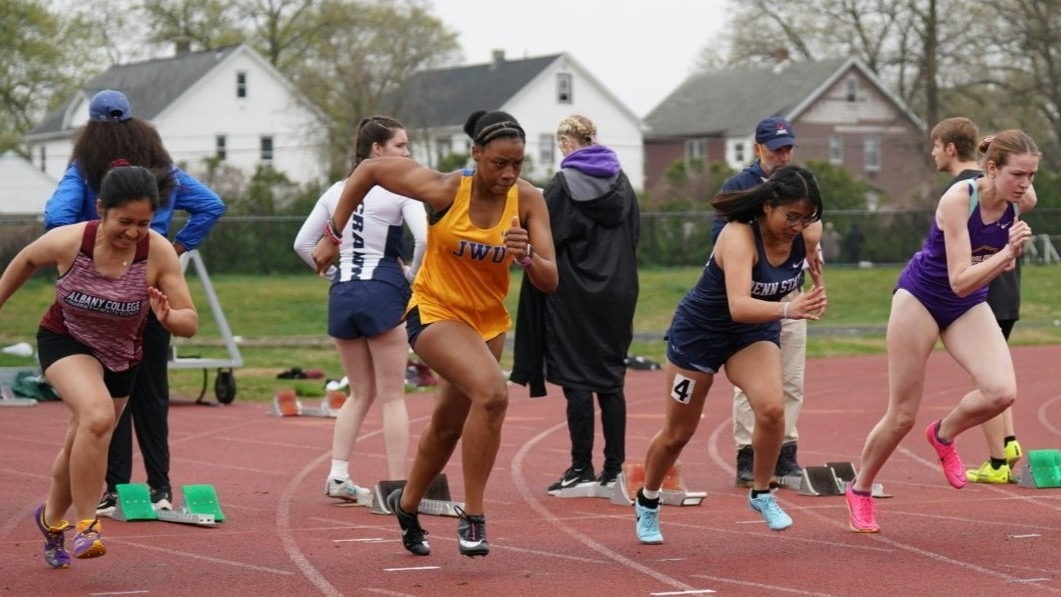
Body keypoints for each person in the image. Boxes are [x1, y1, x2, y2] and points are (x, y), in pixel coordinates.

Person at [311, 110, 558, 557]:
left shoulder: (528, 201)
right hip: (434, 311)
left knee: (446, 426)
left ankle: (407, 505)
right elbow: (368, 170)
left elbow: (551, 279)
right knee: (493, 394)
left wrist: (527, 259)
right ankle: (475, 517)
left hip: (487, 323)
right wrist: (333, 233)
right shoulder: (445, 189)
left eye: (517, 164)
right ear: (476, 155)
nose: (508, 174)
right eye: (498, 163)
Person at [0, 164, 198, 566]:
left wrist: (168, 317)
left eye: (143, 223)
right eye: (124, 222)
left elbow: (189, 321)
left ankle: (52, 521)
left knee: (82, 439)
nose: (133, 233)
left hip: (122, 355)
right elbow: (24, 260)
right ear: (102, 208)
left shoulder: (157, 252)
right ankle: (86, 524)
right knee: (96, 416)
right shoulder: (71, 241)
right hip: (65, 340)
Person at [846, 130, 1038, 533]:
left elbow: (969, 290)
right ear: (991, 169)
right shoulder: (958, 200)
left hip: (967, 304)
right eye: (1018, 174)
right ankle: (860, 490)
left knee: (1001, 392)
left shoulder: (1021, 200)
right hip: (922, 298)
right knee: (901, 415)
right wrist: (1006, 254)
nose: (1025, 184)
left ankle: (944, 434)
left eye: (1031, 175)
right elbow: (958, 281)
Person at [44, 89, 225, 516]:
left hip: (102, 298)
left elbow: (55, 217)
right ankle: (160, 487)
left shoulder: (87, 168)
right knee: (152, 392)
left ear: (90, 125)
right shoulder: (162, 168)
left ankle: (115, 487)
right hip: (152, 288)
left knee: (108, 396)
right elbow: (212, 206)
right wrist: (175, 250)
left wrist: (80, 252)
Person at [635, 165, 827, 544]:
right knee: (678, 432)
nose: (797, 225)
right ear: (768, 206)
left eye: (806, 218)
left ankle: (760, 493)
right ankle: (648, 500)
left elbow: (808, 274)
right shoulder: (738, 235)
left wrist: (819, 288)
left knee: (772, 409)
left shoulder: (805, 234)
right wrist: (791, 309)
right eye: (791, 216)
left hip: (751, 333)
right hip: (700, 335)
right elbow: (739, 304)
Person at [293, 116, 427, 500]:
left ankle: (338, 475)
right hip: (383, 290)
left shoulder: (336, 191)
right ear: (377, 150)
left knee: (358, 392)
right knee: (392, 396)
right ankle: (399, 486)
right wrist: (411, 277)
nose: (407, 152)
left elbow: (303, 244)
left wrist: (333, 273)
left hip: (344, 295)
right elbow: (424, 238)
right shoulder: (402, 191)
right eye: (400, 145)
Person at [510, 114, 640, 493]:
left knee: (576, 377)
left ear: (567, 142)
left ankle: (581, 467)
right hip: (618, 290)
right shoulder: (623, 183)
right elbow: (634, 235)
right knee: (612, 379)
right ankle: (614, 468)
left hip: (573, 293)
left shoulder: (564, 184)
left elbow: (546, 234)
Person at [711, 116, 822, 487]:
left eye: (789, 148)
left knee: (791, 378)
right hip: (754, 297)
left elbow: (814, 228)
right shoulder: (740, 186)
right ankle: (749, 454)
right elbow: (724, 242)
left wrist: (810, 248)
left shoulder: (800, 183)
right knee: (753, 382)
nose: (784, 155)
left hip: (790, 291)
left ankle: (785, 454)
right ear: (758, 148)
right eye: (777, 149)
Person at [929, 117, 1033, 483]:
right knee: (995, 383)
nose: (933, 154)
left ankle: (998, 460)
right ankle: (1007, 442)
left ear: (951, 148)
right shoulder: (995, 185)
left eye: (936, 146)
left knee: (987, 381)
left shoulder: (972, 189)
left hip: (983, 295)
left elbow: (956, 267)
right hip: (999, 292)